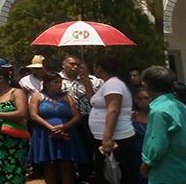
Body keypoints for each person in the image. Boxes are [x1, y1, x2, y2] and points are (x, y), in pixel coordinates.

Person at [140, 66, 186, 183]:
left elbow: (157, 146)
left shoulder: (159, 112)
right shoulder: (180, 106)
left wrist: (146, 165)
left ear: (145, 85)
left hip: (168, 173)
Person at [29, 72, 87, 184]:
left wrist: (64, 127)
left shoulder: (67, 97)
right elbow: (33, 115)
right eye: (56, 82)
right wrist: (51, 127)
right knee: (49, 165)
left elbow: (76, 117)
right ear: (47, 83)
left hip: (66, 134)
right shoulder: (38, 96)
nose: (59, 85)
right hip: (45, 134)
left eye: (60, 82)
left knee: (67, 166)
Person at [88, 55, 137, 184]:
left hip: (116, 137)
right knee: (106, 173)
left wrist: (107, 137)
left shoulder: (113, 84)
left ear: (100, 68)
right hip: (106, 137)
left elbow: (113, 109)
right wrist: (86, 84)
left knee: (115, 175)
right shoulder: (108, 84)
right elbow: (94, 102)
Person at [59, 56, 102, 182]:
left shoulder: (93, 80)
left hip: (86, 118)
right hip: (64, 120)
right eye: (72, 64)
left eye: (78, 64)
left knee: (87, 148)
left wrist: (87, 83)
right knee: (66, 150)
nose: (75, 66)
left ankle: (86, 175)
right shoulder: (55, 79)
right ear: (63, 65)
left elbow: (96, 100)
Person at [131, 86, 150, 184]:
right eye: (139, 98)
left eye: (146, 98)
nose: (143, 101)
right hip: (136, 154)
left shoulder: (156, 114)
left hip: (152, 154)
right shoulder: (133, 116)